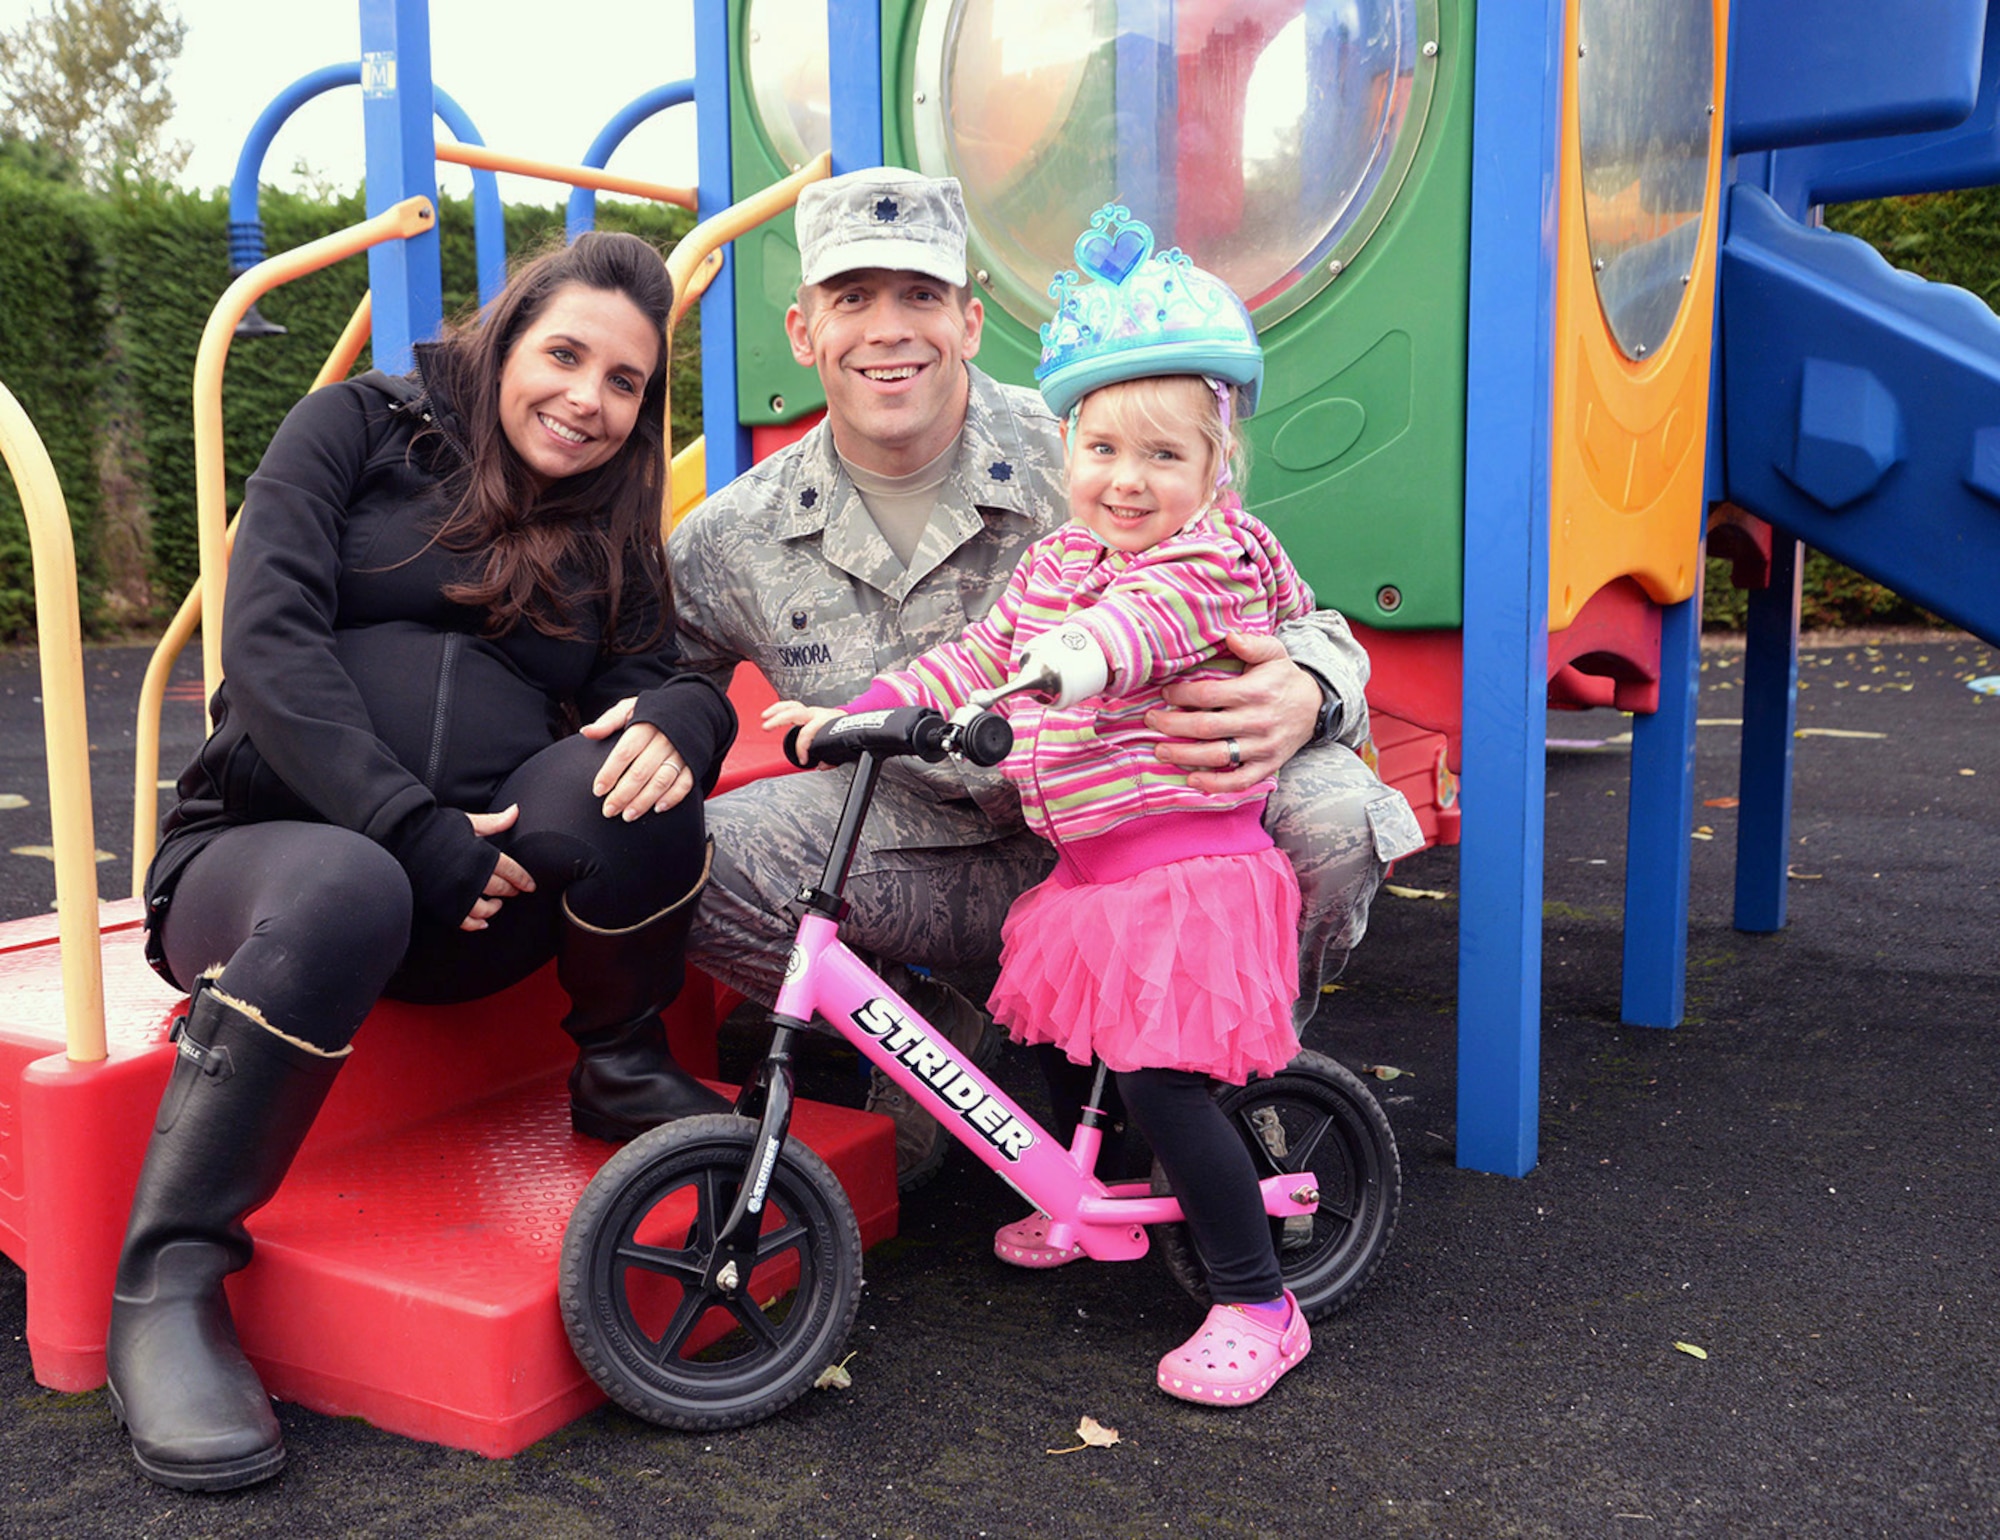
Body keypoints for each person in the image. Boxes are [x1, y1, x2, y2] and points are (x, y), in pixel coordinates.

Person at [111, 231, 736, 1492]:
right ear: (504, 337)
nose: (589, 400)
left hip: (476, 905)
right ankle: (167, 1279)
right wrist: (411, 827)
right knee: (353, 883)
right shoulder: (352, 425)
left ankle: (618, 1066)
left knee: (638, 784)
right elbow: (267, 646)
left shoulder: (609, 527)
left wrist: (690, 717)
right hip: (274, 872)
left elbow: (661, 681)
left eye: (625, 383)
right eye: (564, 354)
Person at [668, 167, 1424, 1190]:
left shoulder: (1106, 425)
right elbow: (652, 671)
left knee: (1338, 817)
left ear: (970, 321)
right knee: (677, 858)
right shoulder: (729, 533)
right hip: (924, 843)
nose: (888, 329)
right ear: (803, 332)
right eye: (852, 298)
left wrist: (1307, 687)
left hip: (1145, 811)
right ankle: (964, 1062)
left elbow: (1285, 603)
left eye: (920, 296)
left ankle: (1226, 1090)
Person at [766, 206, 1315, 1403]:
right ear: (1065, 449)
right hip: (1091, 873)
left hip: (1183, 874)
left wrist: (1068, 665)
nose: (1128, 481)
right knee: (1054, 1042)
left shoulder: (1211, 556)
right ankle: (1089, 1192)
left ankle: (1254, 1297)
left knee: (1164, 1081)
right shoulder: (1057, 561)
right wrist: (868, 703)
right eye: (1104, 451)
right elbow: (981, 645)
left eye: (1164, 458)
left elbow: (1133, 632)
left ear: (1215, 467)